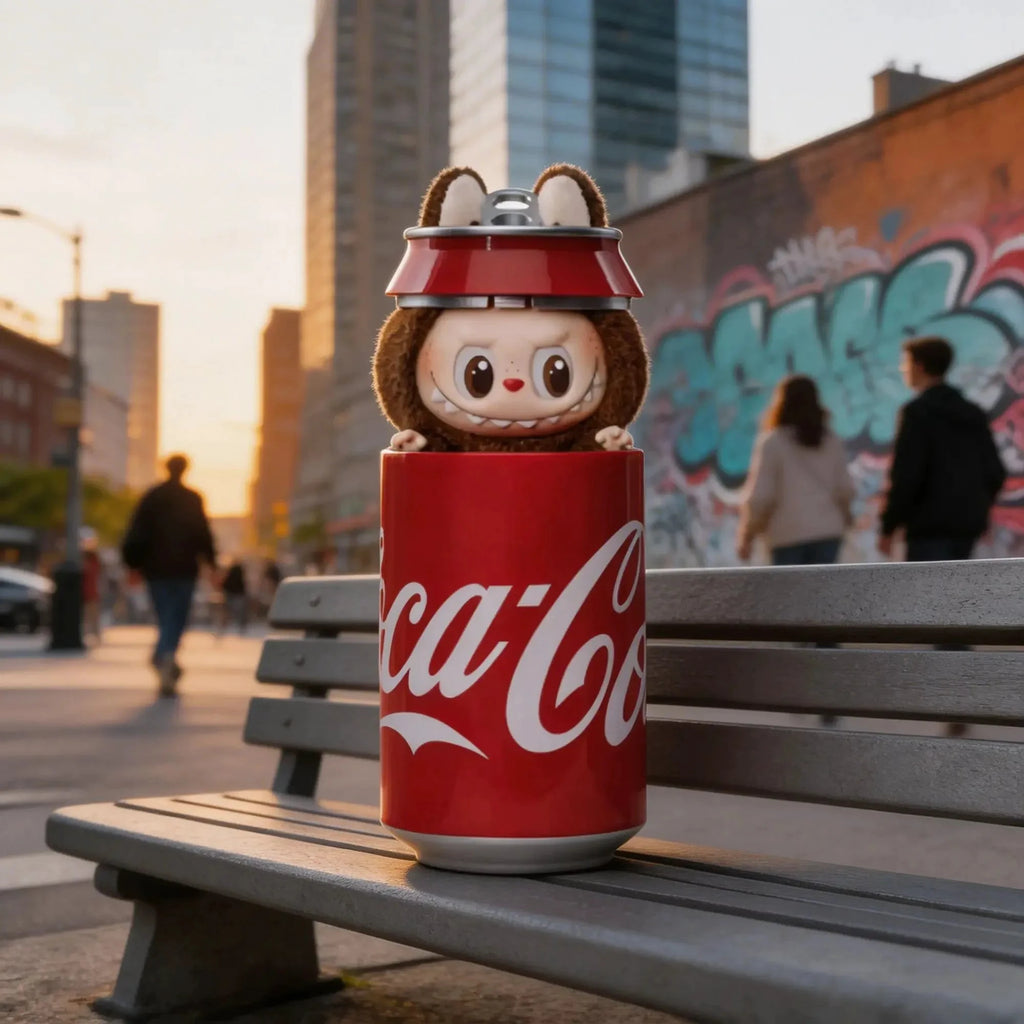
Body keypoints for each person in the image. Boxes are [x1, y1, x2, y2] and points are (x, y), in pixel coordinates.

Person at [879, 336, 1006, 563]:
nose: (902, 369)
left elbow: (906, 475)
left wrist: (889, 527)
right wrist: (979, 511)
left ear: (919, 366)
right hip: (967, 525)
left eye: (905, 363)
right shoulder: (972, 412)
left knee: (928, 594)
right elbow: (994, 470)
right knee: (957, 595)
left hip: (928, 528)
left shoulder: (917, 413)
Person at [121, 454, 216, 696]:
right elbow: (203, 533)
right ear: (184, 470)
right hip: (183, 570)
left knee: (166, 617)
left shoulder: (153, 497)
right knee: (176, 617)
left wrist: (133, 564)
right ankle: (165, 656)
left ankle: (163, 655)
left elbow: (136, 532)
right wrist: (211, 562)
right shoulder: (192, 498)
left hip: (156, 570)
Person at [738, 375, 855, 566]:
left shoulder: (773, 442)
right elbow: (845, 489)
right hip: (828, 532)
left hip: (787, 534)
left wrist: (747, 534)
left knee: (790, 594)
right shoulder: (831, 440)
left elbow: (761, 496)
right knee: (823, 594)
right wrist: (847, 517)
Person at [219, 559, 248, 634]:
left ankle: (222, 628)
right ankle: (241, 627)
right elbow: (243, 585)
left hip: (230, 593)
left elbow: (225, 584)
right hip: (238, 594)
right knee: (239, 612)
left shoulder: (230, 573)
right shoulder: (240, 574)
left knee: (227, 611)